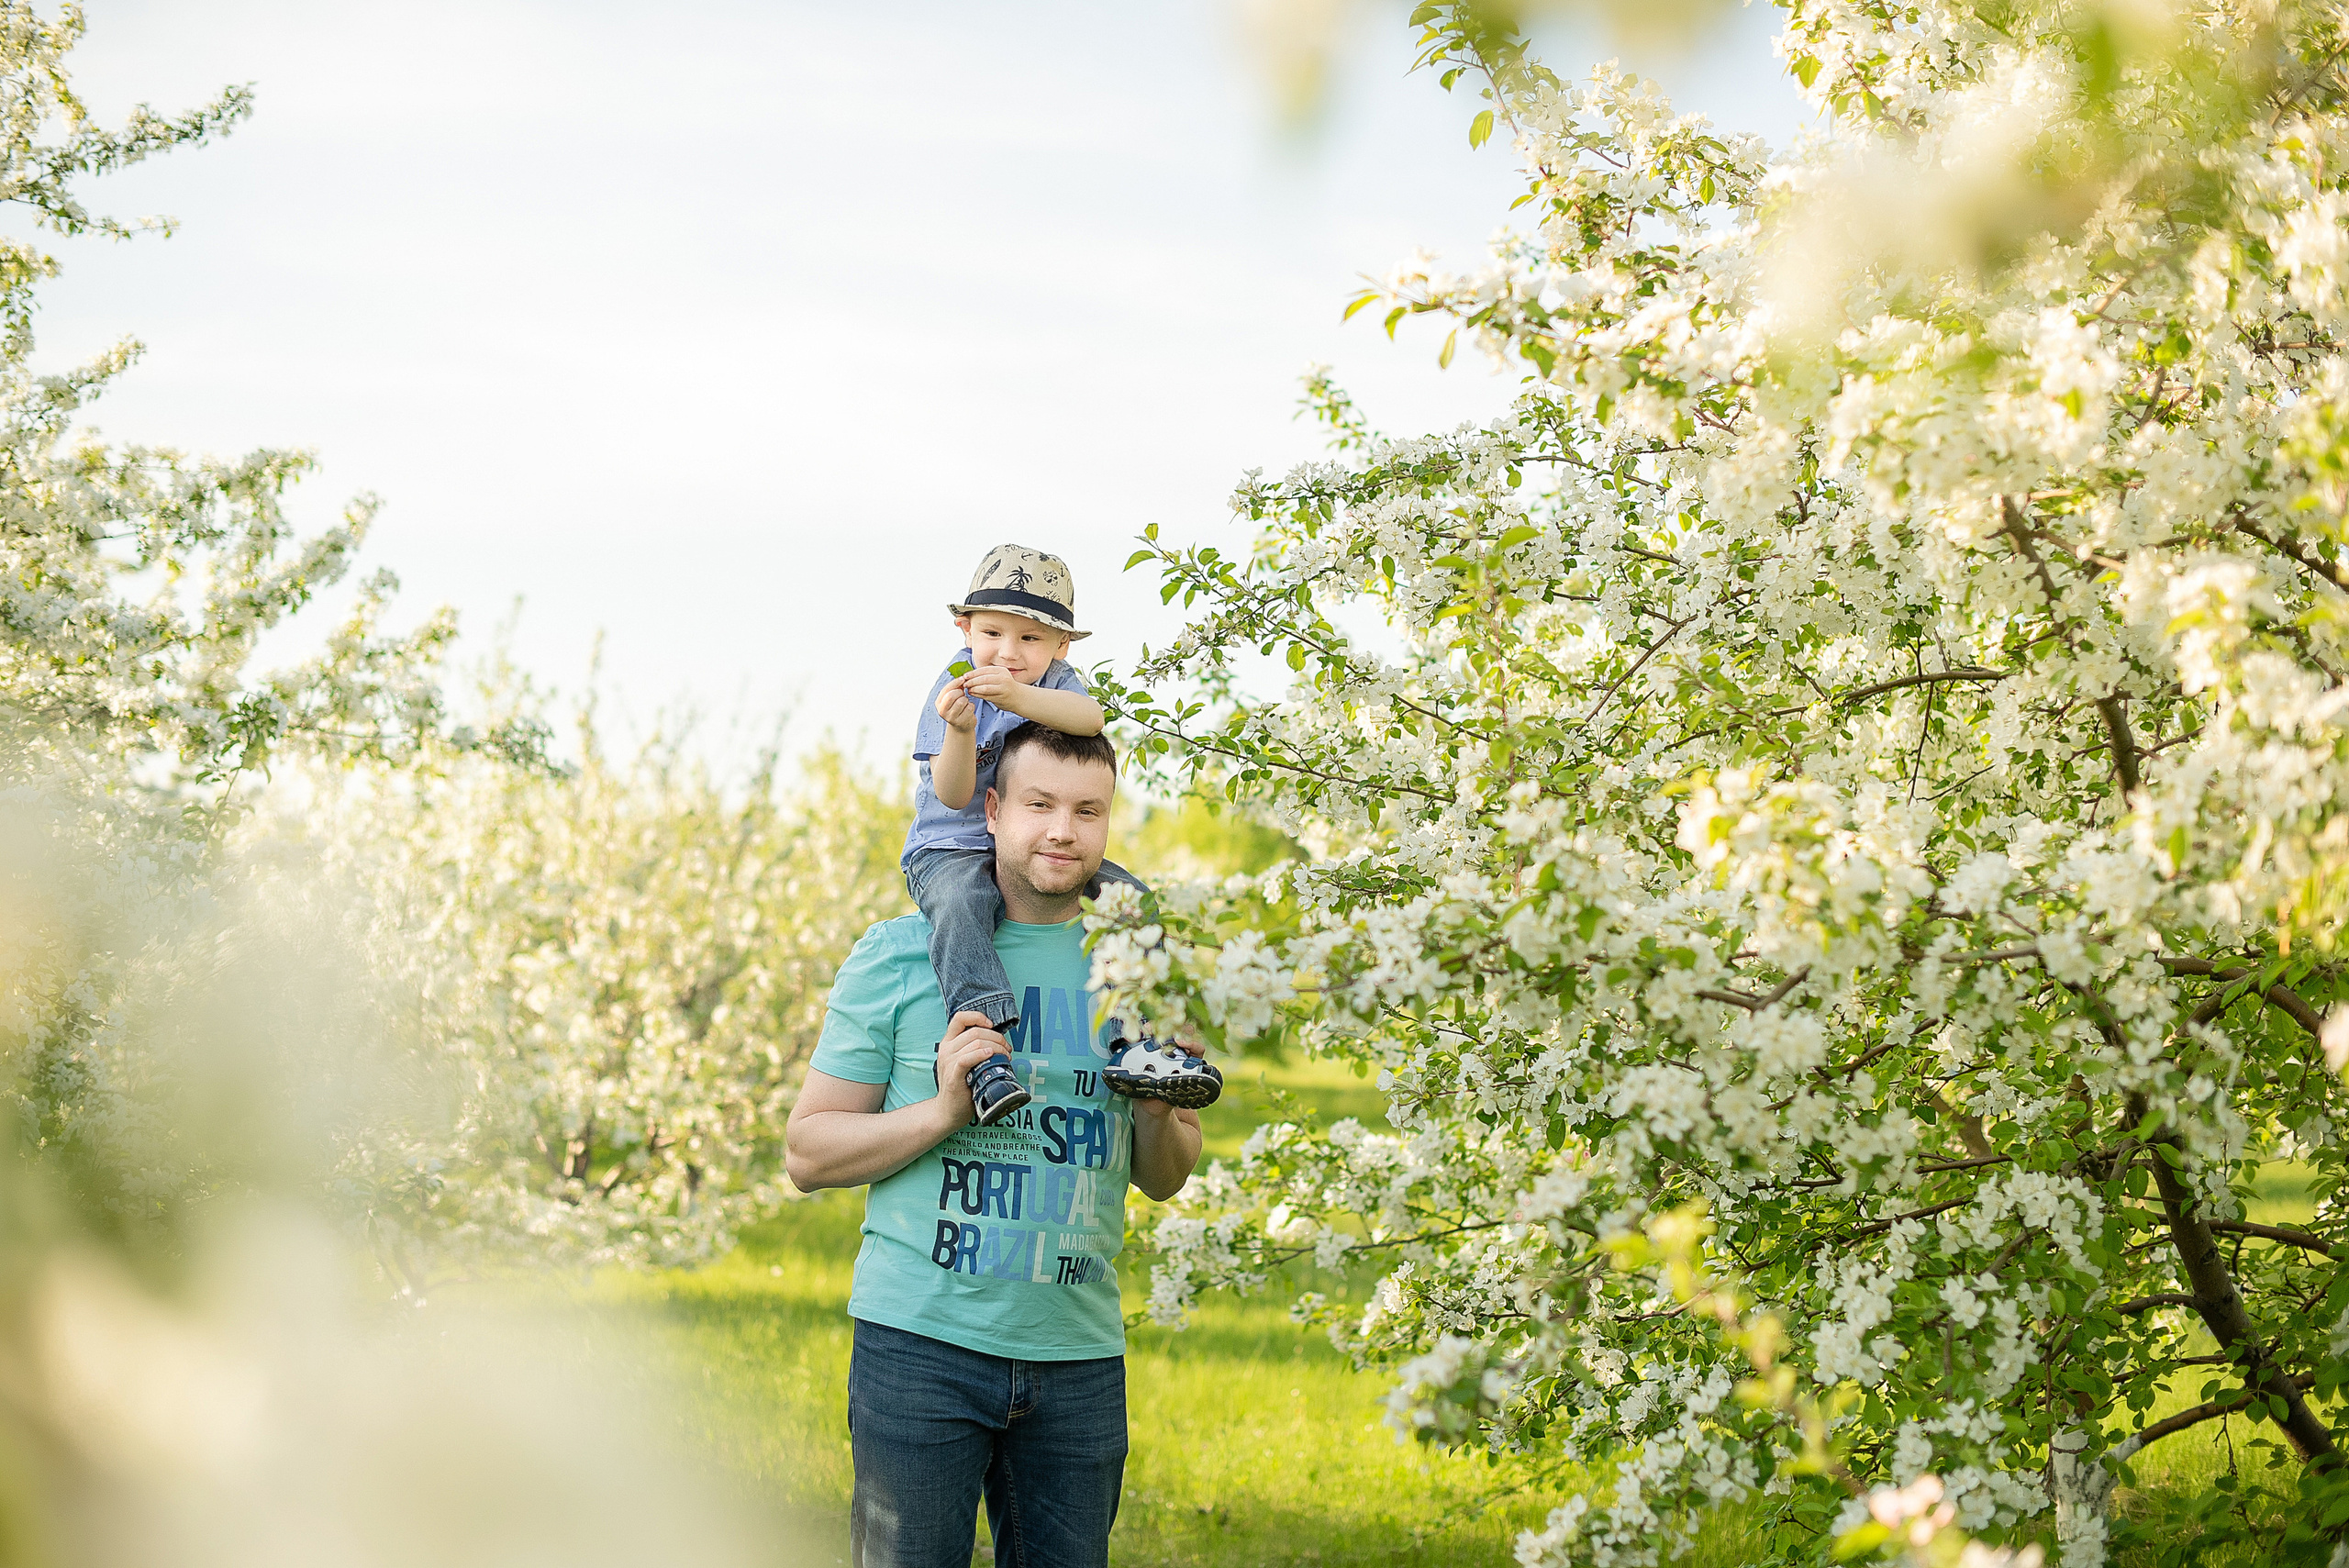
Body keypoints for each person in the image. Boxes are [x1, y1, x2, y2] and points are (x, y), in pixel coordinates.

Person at [785, 724, 1208, 1568]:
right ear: (991, 808)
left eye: (1088, 810)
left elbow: (1163, 1177)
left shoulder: (1144, 969)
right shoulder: (903, 953)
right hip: (920, 1348)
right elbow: (808, 1153)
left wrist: (1158, 1114)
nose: (1064, 830)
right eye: (1040, 804)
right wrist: (943, 1109)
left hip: (1077, 1353)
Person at [906, 542, 1219, 1122]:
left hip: (1036, 842)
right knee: (960, 903)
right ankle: (985, 1055)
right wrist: (960, 731)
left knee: (1129, 899)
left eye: (1031, 639)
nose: (1009, 652)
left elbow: (1090, 720)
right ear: (965, 628)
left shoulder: (1054, 683)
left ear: (1060, 645)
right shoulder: (953, 685)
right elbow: (950, 794)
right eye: (994, 633)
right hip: (950, 848)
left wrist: (1021, 697)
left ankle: (1138, 1037)